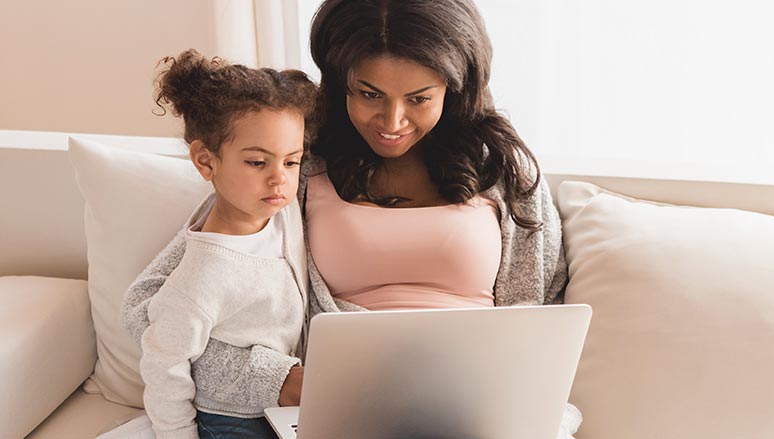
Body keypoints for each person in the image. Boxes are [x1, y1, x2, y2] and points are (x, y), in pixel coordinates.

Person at [123, 1, 581, 437]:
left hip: (480, 402)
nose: (393, 121)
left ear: (455, 87)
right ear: (340, 80)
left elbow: (542, 316)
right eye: (369, 94)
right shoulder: (291, 167)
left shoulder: (503, 171)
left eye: (419, 98)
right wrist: (279, 380)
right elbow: (147, 311)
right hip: (349, 406)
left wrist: (498, 392)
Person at [127, 49, 317, 439]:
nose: (279, 179)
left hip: (283, 408)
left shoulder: (281, 214)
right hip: (231, 419)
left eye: (291, 161)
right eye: (257, 163)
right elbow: (164, 366)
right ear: (206, 161)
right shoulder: (201, 276)